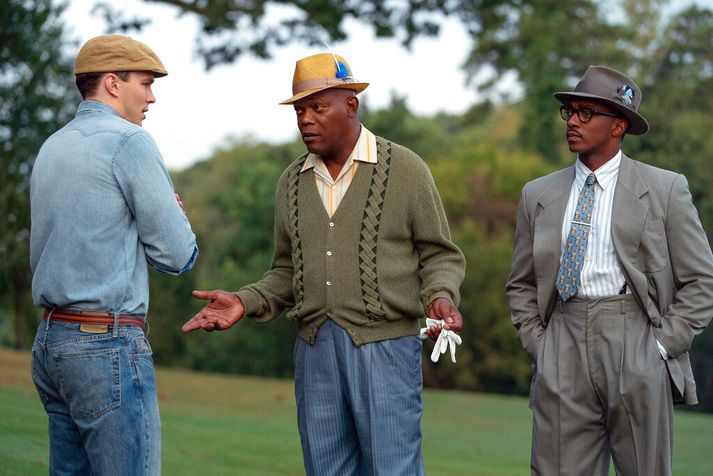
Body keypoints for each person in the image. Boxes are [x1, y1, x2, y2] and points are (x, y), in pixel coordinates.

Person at [181, 53, 465, 475]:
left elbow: (439, 253)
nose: (305, 119)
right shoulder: (291, 182)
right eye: (299, 109)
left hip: (385, 347)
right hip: (314, 350)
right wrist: (245, 301)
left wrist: (440, 295)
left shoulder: (405, 169)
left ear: (350, 105)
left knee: (393, 468)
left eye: (318, 107)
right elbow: (285, 271)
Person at [506, 65, 713, 475]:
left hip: (635, 338)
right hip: (561, 339)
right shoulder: (538, 194)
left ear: (618, 125)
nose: (574, 122)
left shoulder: (666, 189)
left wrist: (658, 348)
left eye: (587, 113)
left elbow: (702, 282)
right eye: (571, 112)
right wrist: (541, 346)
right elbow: (521, 283)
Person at [30, 35, 198, 475]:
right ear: (112, 83)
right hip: (105, 343)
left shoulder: (53, 146)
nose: (152, 97)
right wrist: (172, 216)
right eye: (145, 83)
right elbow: (177, 255)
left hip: (51, 343)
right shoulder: (130, 143)